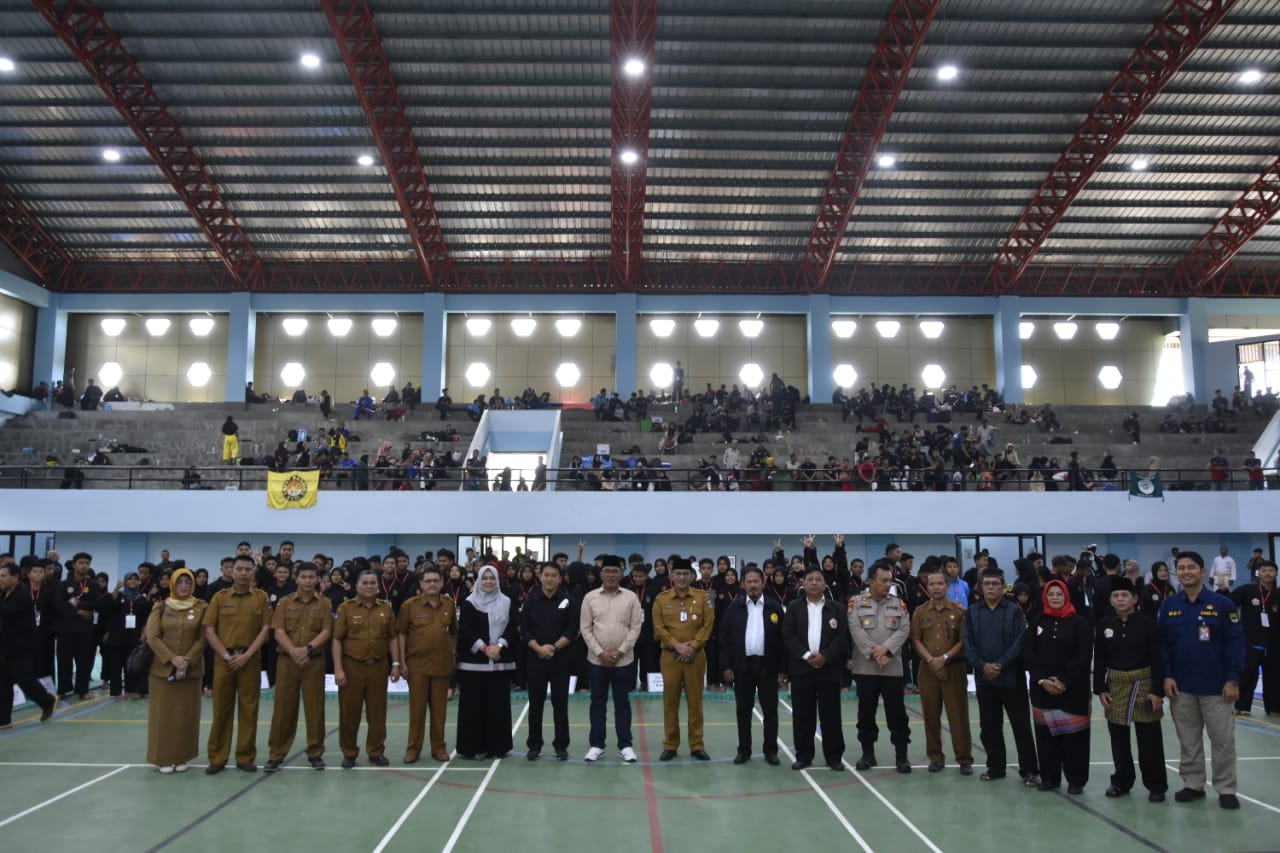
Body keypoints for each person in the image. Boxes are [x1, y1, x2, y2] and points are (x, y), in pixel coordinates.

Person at [1161, 550, 1245, 809]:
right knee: (1188, 739)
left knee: (1222, 741)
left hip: (1216, 687)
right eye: (1181, 568)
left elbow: (1235, 644)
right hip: (1182, 686)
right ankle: (1193, 784)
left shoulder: (1223, 605)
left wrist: (1233, 679)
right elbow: (1163, 646)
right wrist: (1167, 676)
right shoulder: (1170, 606)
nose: (1186, 572)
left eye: (1191, 567)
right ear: (1177, 573)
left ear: (1203, 571)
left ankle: (1226, 788)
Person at [1094, 576, 1167, 801]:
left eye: (1125, 595)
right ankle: (1122, 781)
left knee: (1150, 740)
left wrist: (1157, 691)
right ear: (1111, 600)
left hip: (1144, 684)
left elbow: (1158, 659)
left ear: (1134, 599)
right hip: (1116, 686)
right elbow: (1100, 659)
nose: (1120, 599)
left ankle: (1156, 786)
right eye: (1116, 596)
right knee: (1118, 739)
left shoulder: (1148, 624)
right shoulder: (1105, 624)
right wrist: (1100, 688)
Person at [965, 567, 1040, 786]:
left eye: (995, 584)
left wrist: (1000, 664)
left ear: (1003, 586)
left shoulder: (1014, 611)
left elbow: (1020, 642)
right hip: (984, 679)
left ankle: (1029, 770)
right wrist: (982, 665)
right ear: (980, 587)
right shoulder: (972, 612)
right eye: (986, 584)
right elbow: (968, 643)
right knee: (989, 727)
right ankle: (995, 767)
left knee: (1021, 726)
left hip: (1011, 678)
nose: (990, 588)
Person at [202, 554, 272, 774]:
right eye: (238, 569)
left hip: (250, 660)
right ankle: (217, 757)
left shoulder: (261, 598)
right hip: (224, 661)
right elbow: (209, 630)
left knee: (249, 710)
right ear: (231, 572)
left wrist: (247, 655)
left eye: (247, 570)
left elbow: (265, 630)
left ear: (253, 573)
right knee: (221, 709)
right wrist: (226, 656)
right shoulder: (219, 598)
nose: (243, 573)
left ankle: (245, 756)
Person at [1025, 579, 1092, 794]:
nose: (1055, 598)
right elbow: (1029, 654)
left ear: (1066, 596)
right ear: (1045, 597)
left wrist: (1063, 680)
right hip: (1042, 690)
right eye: (1051, 594)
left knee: (1075, 739)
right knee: (1046, 738)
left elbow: (1083, 656)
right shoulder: (1036, 622)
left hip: (1072, 691)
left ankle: (1076, 780)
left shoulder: (1080, 623)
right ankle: (1050, 778)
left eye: (1059, 594)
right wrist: (1042, 680)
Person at [264, 564, 330, 772]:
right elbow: (278, 631)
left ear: (317, 580)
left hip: (314, 662)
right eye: (304, 577)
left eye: (312, 577)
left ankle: (315, 752)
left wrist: (307, 649)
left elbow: (327, 631)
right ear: (297, 579)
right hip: (287, 661)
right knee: (283, 709)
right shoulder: (284, 602)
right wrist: (295, 651)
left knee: (315, 709)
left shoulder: (324, 603)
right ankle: (276, 754)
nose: (308, 580)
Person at [783, 567, 849, 771]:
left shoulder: (837, 608)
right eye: (809, 579)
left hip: (828, 668)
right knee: (803, 714)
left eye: (818, 579)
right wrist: (806, 655)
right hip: (801, 668)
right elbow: (788, 634)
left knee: (831, 715)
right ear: (803, 584)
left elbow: (842, 637)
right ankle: (803, 755)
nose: (813, 582)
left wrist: (825, 656)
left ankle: (834, 756)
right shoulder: (794, 607)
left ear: (824, 584)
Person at [333, 570, 399, 768]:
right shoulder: (345, 609)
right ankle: (349, 752)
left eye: (373, 583)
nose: (369, 586)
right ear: (357, 586)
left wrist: (395, 664)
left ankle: (376, 751)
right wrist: (338, 669)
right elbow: (336, 639)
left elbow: (392, 637)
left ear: (377, 587)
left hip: (378, 667)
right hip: (352, 667)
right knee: (349, 713)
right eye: (365, 583)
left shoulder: (386, 609)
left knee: (377, 714)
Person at [579, 554, 643, 762]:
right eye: (607, 571)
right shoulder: (590, 598)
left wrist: (621, 651)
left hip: (624, 661)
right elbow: (585, 628)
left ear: (622, 574)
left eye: (615, 571)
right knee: (597, 703)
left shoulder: (631, 597)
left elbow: (635, 627)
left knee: (622, 704)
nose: (611, 575)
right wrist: (600, 652)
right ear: (601, 574)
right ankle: (597, 745)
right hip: (596, 661)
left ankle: (625, 745)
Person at [719, 564, 784, 765]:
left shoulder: (775, 608)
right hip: (742, 667)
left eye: (757, 581)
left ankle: (770, 750)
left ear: (764, 583)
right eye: (749, 582)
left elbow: (784, 641)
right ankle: (744, 750)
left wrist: (782, 670)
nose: (753, 585)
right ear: (743, 584)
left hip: (768, 667)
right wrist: (726, 667)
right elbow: (724, 640)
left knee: (770, 712)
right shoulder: (734, 608)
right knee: (743, 711)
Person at [651, 557, 715, 761]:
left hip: (695, 657)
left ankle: (697, 745)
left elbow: (708, 624)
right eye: (677, 573)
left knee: (695, 703)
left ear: (692, 576)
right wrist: (677, 646)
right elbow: (659, 627)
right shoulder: (661, 599)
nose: (681, 577)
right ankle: (670, 744)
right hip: (670, 657)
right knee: (670, 703)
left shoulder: (704, 598)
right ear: (671, 576)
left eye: (685, 574)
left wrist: (693, 646)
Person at [849, 563, 911, 772]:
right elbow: (855, 630)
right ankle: (868, 755)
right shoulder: (856, 602)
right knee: (866, 713)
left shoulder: (898, 604)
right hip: (866, 668)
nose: (888, 584)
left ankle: (901, 757)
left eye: (889, 580)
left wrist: (886, 650)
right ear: (871, 581)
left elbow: (903, 630)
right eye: (883, 580)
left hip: (892, 668)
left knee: (898, 714)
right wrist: (875, 652)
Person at [143, 568, 206, 772]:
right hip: (162, 671)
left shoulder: (201, 607)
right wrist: (173, 659)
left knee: (186, 715)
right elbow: (153, 637)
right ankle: (162, 757)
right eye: (180, 582)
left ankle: (182, 757)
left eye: (188, 582)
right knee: (163, 715)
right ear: (172, 584)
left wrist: (186, 661)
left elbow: (203, 637)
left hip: (191, 670)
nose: (184, 586)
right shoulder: (160, 606)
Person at [910, 570, 973, 774]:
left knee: (958, 715)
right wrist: (931, 660)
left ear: (947, 586)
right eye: (932, 584)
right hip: (927, 670)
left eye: (939, 583)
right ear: (927, 587)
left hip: (953, 669)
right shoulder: (920, 612)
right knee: (930, 715)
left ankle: (964, 759)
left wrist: (944, 659)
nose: (936, 587)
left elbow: (964, 641)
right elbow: (916, 640)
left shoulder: (959, 611)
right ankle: (935, 757)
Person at [519, 561, 579, 761]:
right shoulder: (531, 600)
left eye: (554, 575)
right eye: (546, 575)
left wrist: (553, 648)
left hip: (560, 660)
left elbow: (572, 630)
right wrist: (538, 648)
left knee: (560, 705)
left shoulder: (568, 601)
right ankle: (534, 745)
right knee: (535, 705)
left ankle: (561, 745)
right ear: (540, 577)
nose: (550, 579)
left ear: (560, 578)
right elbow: (524, 629)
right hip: (535, 660)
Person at [397, 566, 458, 764]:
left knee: (439, 711)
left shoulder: (449, 604)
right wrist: (402, 661)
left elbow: (453, 632)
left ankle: (438, 748)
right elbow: (402, 634)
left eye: (435, 580)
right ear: (421, 584)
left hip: (442, 665)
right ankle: (413, 749)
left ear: (441, 583)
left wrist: (453, 652)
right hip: (417, 666)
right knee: (417, 710)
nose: (432, 584)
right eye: (428, 581)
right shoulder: (409, 605)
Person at [456, 565, 517, 759]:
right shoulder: (469, 602)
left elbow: (512, 627)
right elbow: (466, 630)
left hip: (500, 661)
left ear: (497, 580)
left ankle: (497, 747)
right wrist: (484, 648)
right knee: (474, 706)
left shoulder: (507, 602)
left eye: (492, 578)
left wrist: (499, 646)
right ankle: (475, 747)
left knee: (498, 706)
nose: (488, 581)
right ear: (479, 581)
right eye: (484, 578)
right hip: (473, 665)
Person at [0, 562, 58, 728]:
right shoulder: (4, 593)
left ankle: (47, 700)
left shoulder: (22, 595)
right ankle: (4, 719)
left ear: (15, 577)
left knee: (23, 678)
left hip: (23, 646)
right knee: (3, 683)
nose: (0, 579)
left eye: (3, 576)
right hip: (6, 646)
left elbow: (6, 612)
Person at [1231, 559, 1278, 715]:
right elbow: (1228, 602)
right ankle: (1240, 706)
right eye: (1264, 570)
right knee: (1247, 675)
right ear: (1259, 573)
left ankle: (1274, 708)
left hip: (1273, 643)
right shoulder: (1247, 590)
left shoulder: (1278, 594)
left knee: (1274, 677)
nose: (1267, 574)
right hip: (1250, 641)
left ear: (1276, 573)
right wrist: (1223, 591)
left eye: (1271, 571)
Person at [53, 552, 103, 699]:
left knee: (83, 660)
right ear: (74, 564)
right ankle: (62, 689)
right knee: (64, 660)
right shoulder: (63, 585)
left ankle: (83, 690)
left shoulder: (93, 585)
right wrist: (79, 611)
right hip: (66, 627)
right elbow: (59, 604)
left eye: (87, 563)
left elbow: (96, 603)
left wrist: (79, 605)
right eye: (81, 563)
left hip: (84, 629)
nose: (84, 566)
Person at [102, 572, 151, 699]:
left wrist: (144, 631)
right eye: (130, 579)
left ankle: (131, 689)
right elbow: (109, 610)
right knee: (116, 665)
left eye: (136, 579)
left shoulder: (141, 598)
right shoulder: (119, 595)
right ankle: (117, 692)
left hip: (134, 636)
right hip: (117, 635)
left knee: (132, 665)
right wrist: (116, 590)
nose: (133, 581)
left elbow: (145, 617)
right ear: (125, 581)